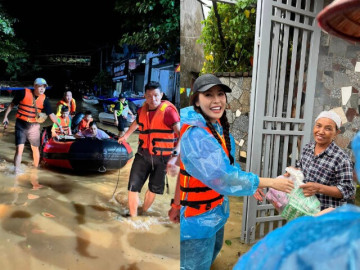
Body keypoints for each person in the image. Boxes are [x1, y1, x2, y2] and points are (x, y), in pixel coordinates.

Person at [177, 74, 294, 270]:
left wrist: (251, 187)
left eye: (220, 94)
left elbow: (230, 167)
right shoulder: (195, 135)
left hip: (215, 211)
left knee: (210, 257)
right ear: (196, 100)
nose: (216, 100)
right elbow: (225, 178)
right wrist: (270, 183)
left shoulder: (218, 127)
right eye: (208, 95)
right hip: (195, 219)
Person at [118, 81, 180, 217]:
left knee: (153, 189)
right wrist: (126, 136)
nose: (153, 99)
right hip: (143, 154)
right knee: (133, 187)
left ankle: (143, 211)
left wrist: (175, 156)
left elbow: (181, 134)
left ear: (161, 95)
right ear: (145, 96)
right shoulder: (142, 110)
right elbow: (137, 122)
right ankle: (133, 218)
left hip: (163, 157)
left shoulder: (169, 112)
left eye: (156, 96)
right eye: (149, 96)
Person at [292, 110, 355, 210]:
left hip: (327, 216)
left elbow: (348, 190)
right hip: (305, 209)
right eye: (318, 126)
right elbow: (301, 168)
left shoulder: (341, 158)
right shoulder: (307, 148)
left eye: (328, 128)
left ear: (336, 132)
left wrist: (319, 188)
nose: (321, 131)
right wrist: (294, 172)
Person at [2, 78, 62, 174]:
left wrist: (59, 125)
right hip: (21, 124)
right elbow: (11, 105)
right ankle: (16, 171)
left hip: (34, 126)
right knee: (19, 149)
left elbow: (51, 114)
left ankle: (35, 169)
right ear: (34, 86)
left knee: (35, 149)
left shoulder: (45, 100)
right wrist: (5, 117)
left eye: (44, 87)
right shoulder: (23, 93)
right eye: (40, 87)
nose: (42, 89)